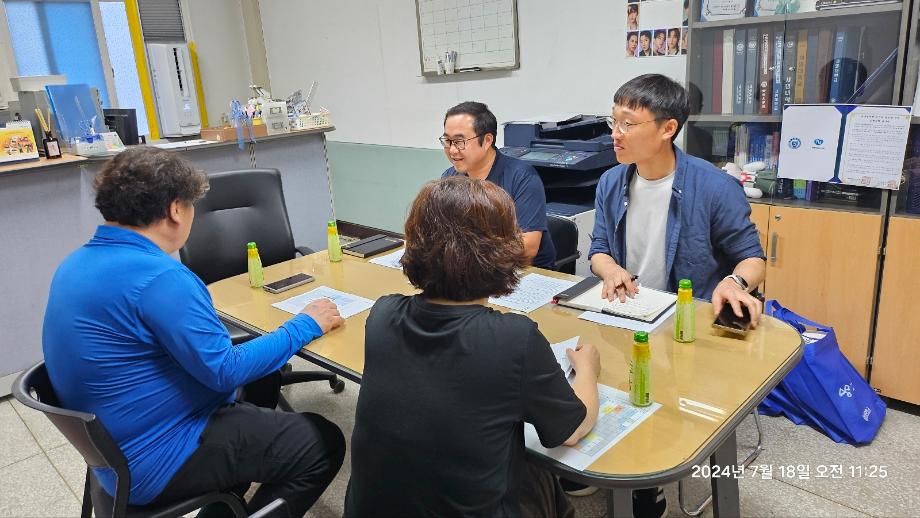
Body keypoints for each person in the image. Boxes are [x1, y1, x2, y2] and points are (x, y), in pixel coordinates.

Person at [42, 147, 346, 516]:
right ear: (174, 209)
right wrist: (306, 324)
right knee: (323, 443)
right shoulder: (161, 278)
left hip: (113, 449)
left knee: (260, 387)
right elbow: (224, 371)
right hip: (157, 455)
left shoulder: (73, 264)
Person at [345, 176, 601, 517]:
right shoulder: (513, 338)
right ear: (503, 249)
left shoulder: (382, 314)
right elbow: (570, 430)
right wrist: (587, 371)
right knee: (540, 475)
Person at [591, 73, 765, 328]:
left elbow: (753, 259)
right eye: (613, 121)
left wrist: (734, 282)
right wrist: (611, 271)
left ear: (668, 128)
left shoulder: (715, 187)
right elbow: (600, 249)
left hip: (689, 320)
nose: (615, 134)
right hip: (630, 312)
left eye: (627, 124)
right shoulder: (610, 182)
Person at [440, 101, 556, 269]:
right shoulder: (449, 178)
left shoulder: (522, 177)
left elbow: (528, 247)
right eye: (447, 141)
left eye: (459, 141)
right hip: (469, 270)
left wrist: (467, 254)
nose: (452, 150)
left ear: (487, 140)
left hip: (522, 272)